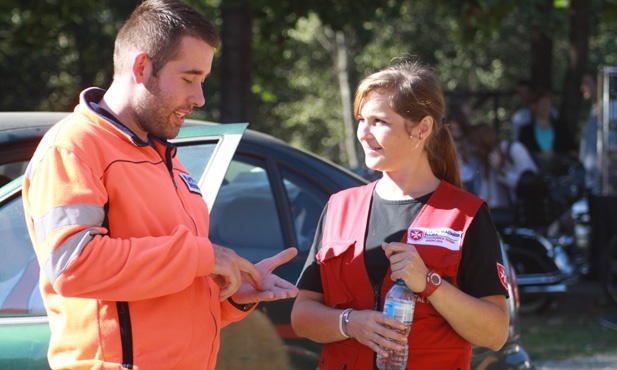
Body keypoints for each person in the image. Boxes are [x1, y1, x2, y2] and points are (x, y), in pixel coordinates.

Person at [21, 1, 298, 369]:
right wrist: (205, 257)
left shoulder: (165, 156)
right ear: (141, 67)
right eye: (189, 78)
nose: (199, 98)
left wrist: (231, 297)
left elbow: (159, 291)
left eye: (203, 82)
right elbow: (74, 265)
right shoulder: (73, 145)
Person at [290, 60, 509, 370]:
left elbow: (496, 333)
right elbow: (301, 316)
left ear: (422, 128)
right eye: (361, 120)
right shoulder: (339, 207)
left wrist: (431, 284)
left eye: (379, 121)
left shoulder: (465, 215)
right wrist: (350, 323)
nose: (364, 133)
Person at [467, 122, 538, 227]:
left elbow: (529, 184)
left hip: (528, 211)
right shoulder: (486, 161)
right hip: (505, 214)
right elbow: (486, 194)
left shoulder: (514, 149)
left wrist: (501, 169)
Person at [518, 89, 578, 167]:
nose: (546, 107)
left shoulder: (562, 127)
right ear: (534, 106)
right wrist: (539, 156)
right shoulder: (526, 131)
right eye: (542, 103)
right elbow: (521, 155)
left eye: (548, 104)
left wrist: (556, 155)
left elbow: (573, 152)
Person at [579, 70, 599, 192]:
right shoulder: (593, 112)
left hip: (602, 183)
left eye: (587, 83)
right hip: (590, 181)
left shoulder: (609, 113)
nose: (582, 87)